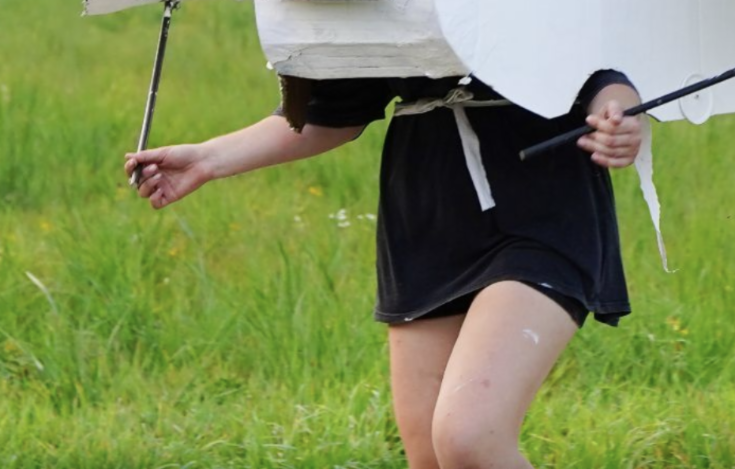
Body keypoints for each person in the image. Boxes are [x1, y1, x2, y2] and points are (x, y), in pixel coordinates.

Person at [125, 69, 643, 469]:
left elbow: (602, 68)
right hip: (426, 217)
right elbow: (331, 111)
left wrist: (618, 113)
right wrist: (206, 160)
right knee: (431, 458)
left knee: (468, 438)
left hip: (541, 205)